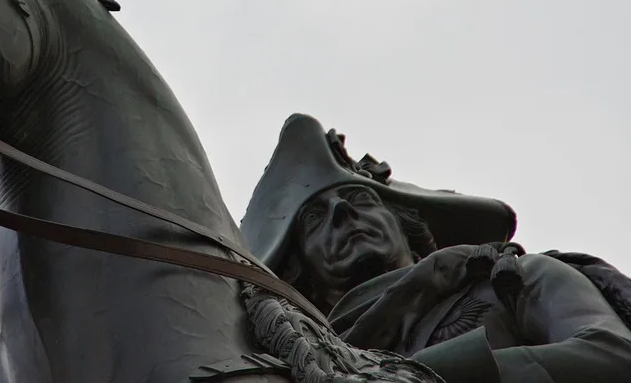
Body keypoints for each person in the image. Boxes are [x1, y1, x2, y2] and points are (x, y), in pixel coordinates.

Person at [240, 113, 631, 383]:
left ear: (405, 224)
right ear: (300, 268)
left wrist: (427, 374)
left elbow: (614, 354)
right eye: (314, 219)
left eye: (360, 199)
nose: (342, 212)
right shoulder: (296, 361)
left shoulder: (511, 279)